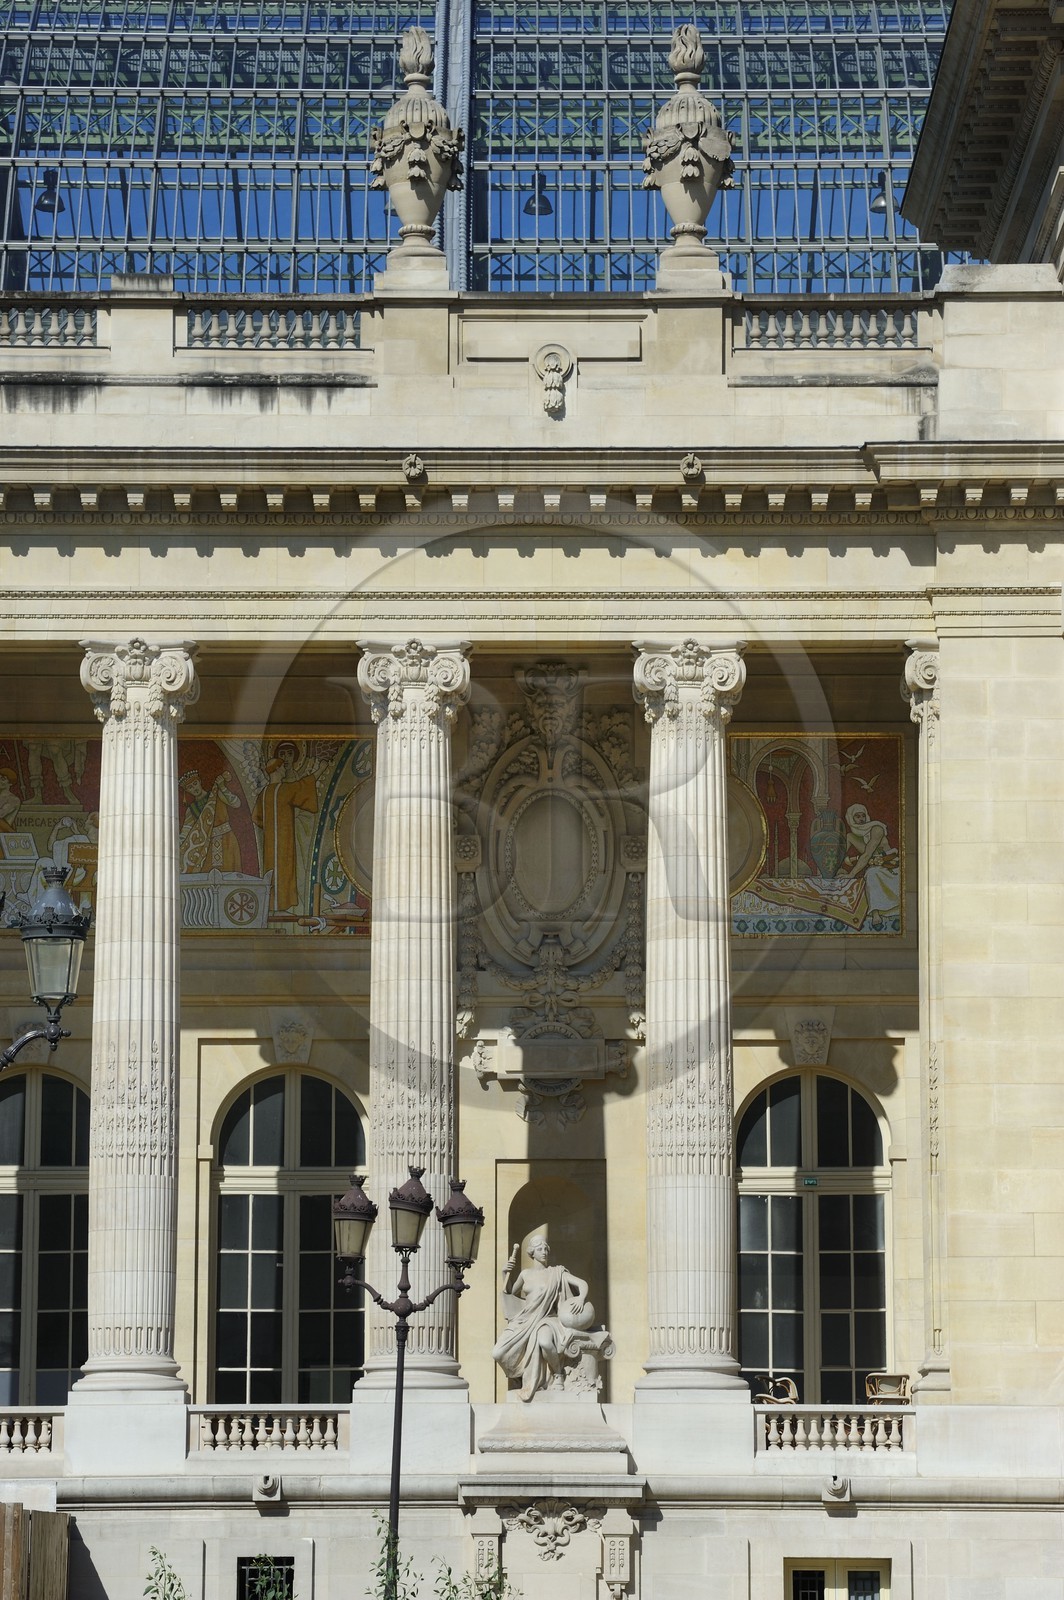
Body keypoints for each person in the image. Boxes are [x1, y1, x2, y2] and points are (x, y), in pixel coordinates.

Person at [492, 1235, 595, 1402]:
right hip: (524, 1320)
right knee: (497, 1352)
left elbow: (582, 1283)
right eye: (540, 1249)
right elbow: (510, 1293)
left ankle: (558, 1374)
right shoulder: (525, 1274)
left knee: (545, 1342)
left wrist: (581, 1298)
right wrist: (505, 1274)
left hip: (547, 1319)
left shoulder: (557, 1273)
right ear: (532, 1253)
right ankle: (519, 1375)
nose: (544, 1252)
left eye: (546, 1249)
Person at [840, 802, 900, 930]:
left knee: (871, 873)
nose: (861, 819)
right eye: (857, 816)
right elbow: (845, 853)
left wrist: (851, 874)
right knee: (849, 837)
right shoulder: (857, 834)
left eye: (863, 816)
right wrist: (838, 868)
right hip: (876, 865)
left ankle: (875, 914)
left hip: (890, 868)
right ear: (851, 818)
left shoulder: (877, 829)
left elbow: (867, 855)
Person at [179, 769, 243, 874]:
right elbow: (186, 831)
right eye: (190, 787)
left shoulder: (216, 795)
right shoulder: (191, 809)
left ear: (199, 781)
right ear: (187, 791)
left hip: (227, 840)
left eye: (195, 784)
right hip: (206, 846)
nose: (194, 788)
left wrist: (222, 787)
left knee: (229, 873)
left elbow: (236, 804)